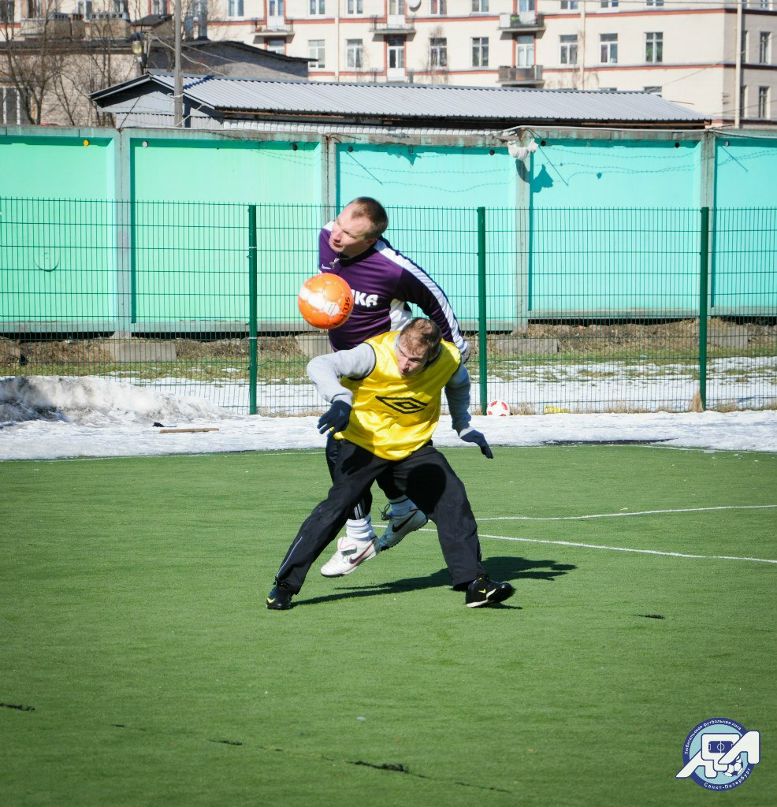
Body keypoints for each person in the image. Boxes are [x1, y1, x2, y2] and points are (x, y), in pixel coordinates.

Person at [266, 318, 514, 611]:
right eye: (402, 354)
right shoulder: (373, 354)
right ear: (399, 341)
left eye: (415, 360)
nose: (405, 365)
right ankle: (283, 586)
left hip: (412, 446)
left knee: (452, 498)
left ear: (432, 355)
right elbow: (318, 365)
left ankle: (475, 583)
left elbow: (459, 385)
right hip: (362, 442)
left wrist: (463, 425)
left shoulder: (448, 359)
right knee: (334, 510)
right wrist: (341, 398)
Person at [316, 197, 471, 576]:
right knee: (372, 447)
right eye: (337, 224)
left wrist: (456, 349)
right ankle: (402, 510)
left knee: (344, 448)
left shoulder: (393, 268)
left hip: (384, 368)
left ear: (370, 241)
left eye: (349, 234)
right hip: (349, 365)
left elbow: (435, 299)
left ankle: (358, 537)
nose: (337, 235)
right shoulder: (327, 238)